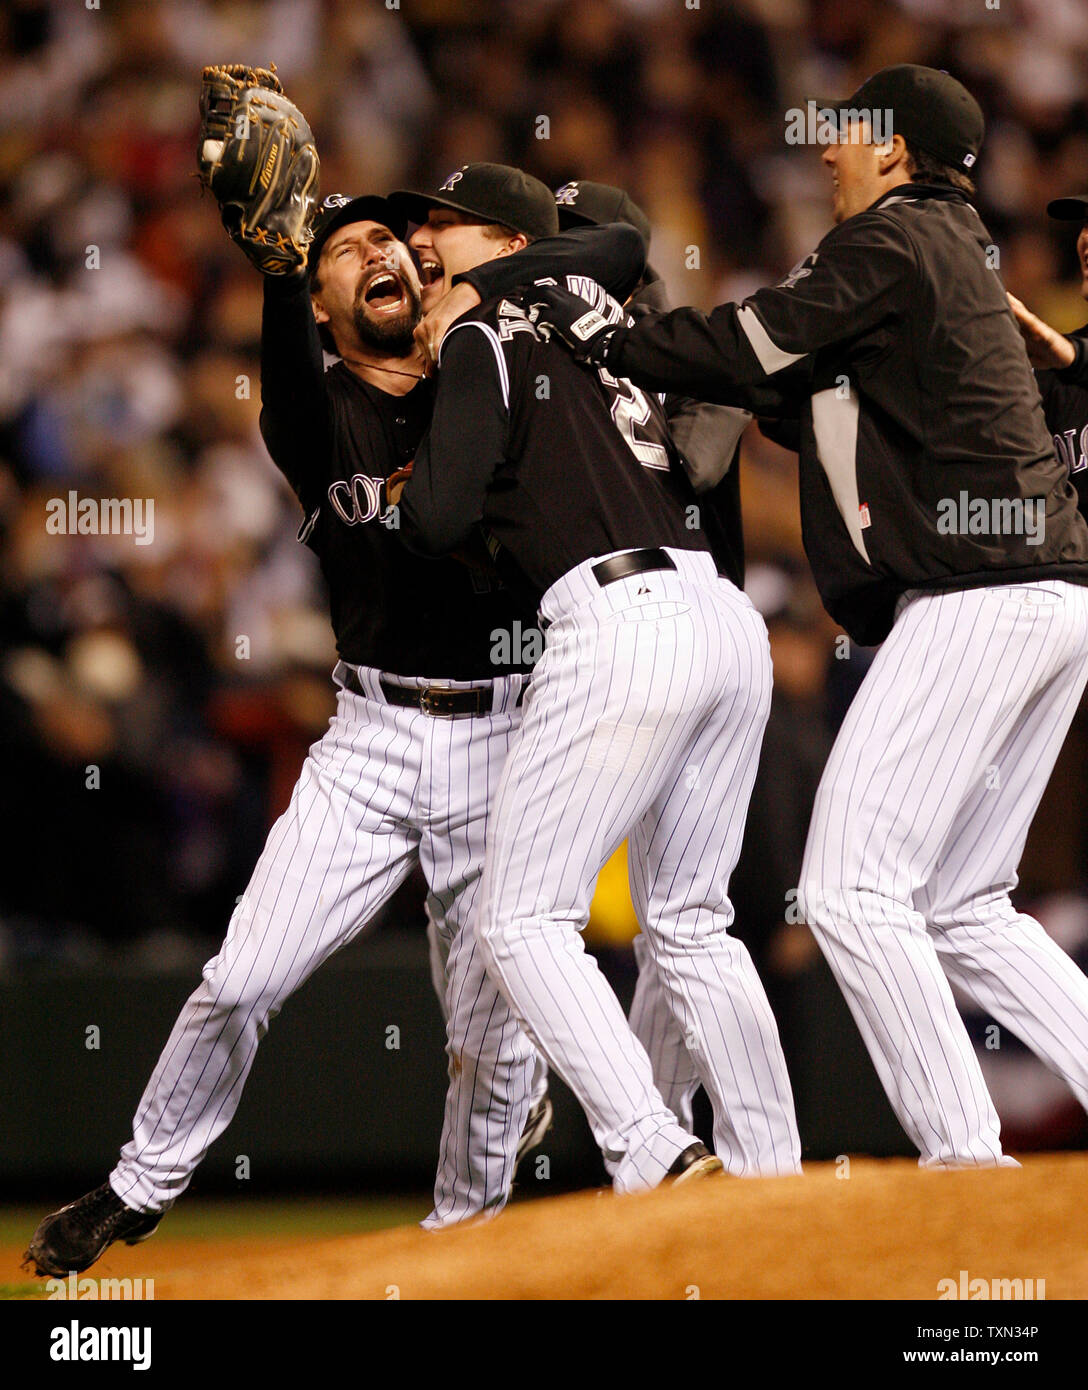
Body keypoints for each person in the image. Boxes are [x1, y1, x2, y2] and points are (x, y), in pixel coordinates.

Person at [532, 64, 1088, 1168]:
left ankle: (963, 1162)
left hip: (976, 595)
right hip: (1045, 596)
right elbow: (794, 394)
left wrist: (607, 335)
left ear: (892, 148)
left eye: (845, 132)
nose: (825, 149)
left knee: (845, 888)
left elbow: (749, 349)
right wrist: (665, 348)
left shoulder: (892, 240)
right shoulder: (937, 249)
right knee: (965, 903)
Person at [22, 177, 567, 1277]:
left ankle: (464, 1243)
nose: (384, 254)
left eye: (397, 243)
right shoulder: (319, 410)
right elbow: (282, 362)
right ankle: (138, 1182)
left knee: (485, 1032)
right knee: (241, 979)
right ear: (321, 300)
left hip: (505, 738)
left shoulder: (491, 375)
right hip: (369, 740)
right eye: (350, 246)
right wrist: (274, 264)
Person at [397, 249, 802, 1189]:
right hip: (723, 614)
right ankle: (773, 1178)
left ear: (493, 245)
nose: (424, 257)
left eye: (443, 236)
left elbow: (435, 519)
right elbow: (616, 250)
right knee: (695, 922)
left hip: (619, 616)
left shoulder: (481, 329)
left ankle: (654, 1150)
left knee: (521, 918)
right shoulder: (594, 327)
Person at [1007, 193, 1088, 517]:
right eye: (1085, 224)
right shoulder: (1049, 368)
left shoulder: (1064, 356)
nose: (1086, 238)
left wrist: (1072, 356)